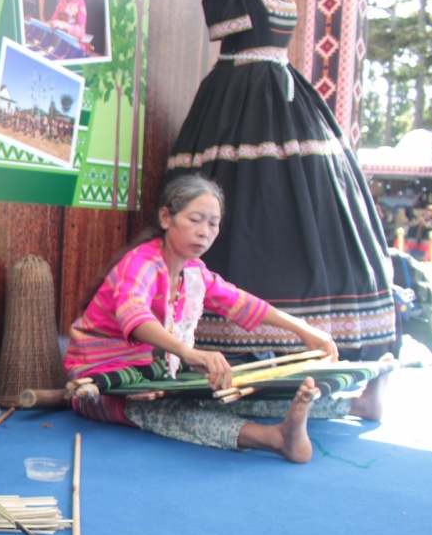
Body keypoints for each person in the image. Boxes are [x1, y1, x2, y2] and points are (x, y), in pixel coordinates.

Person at [166, 0, 397, 362]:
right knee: (248, 208)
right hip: (234, 102)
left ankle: (323, 340)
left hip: (291, 101)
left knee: (315, 211)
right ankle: (227, 349)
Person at [64, 174, 388, 463]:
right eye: (195, 219)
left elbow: (242, 303)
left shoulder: (194, 272)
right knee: (172, 412)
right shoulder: (142, 263)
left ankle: (354, 406)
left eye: (213, 223)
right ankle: (274, 439)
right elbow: (134, 316)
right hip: (100, 384)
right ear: (166, 217)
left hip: (149, 375)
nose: (205, 232)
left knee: (231, 392)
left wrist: (304, 331)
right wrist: (189, 353)